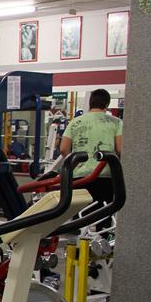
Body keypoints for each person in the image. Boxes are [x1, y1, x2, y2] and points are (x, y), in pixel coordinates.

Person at [59, 88, 122, 227]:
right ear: (107, 104)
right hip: (105, 176)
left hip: (79, 176)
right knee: (103, 216)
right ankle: (101, 237)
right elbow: (120, 149)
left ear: (90, 103)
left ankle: (79, 239)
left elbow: (63, 149)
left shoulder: (75, 122)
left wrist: (73, 164)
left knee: (79, 218)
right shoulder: (116, 122)